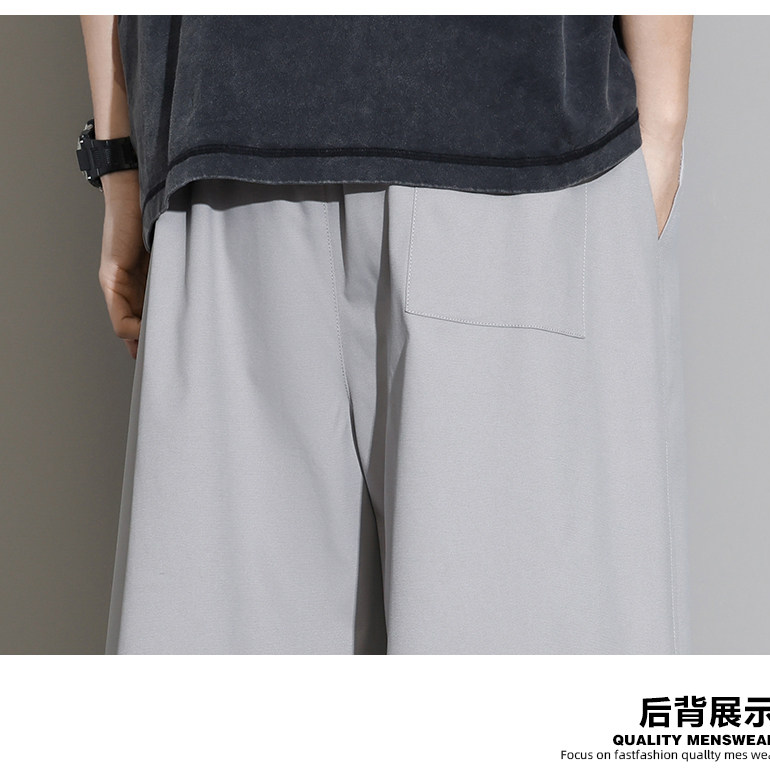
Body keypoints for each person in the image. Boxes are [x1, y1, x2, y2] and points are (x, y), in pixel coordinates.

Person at [79, 15, 694, 655]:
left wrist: (122, 161)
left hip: (220, 142)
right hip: (511, 131)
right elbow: (662, 118)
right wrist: (662, 121)